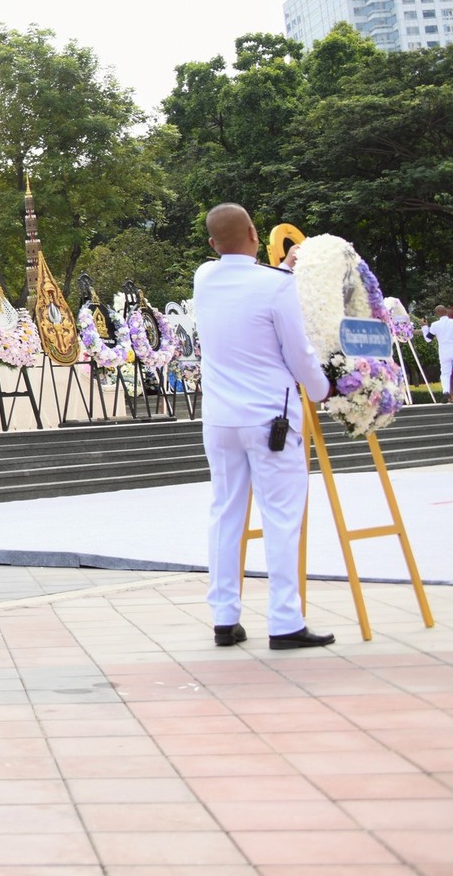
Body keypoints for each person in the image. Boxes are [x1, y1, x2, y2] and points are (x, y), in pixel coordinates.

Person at [193, 203, 335, 651]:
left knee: (225, 513)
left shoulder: (203, 278)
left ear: (212, 244)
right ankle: (285, 620)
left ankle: (224, 617)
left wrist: (282, 272)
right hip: (270, 418)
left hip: (220, 419)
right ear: (255, 233)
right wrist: (323, 390)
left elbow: (238, 274)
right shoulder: (276, 287)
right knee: (281, 517)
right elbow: (299, 355)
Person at [423, 305, 453, 403]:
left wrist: (424, 327)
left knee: (445, 374)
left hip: (444, 352)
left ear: (437, 315)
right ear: (446, 312)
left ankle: (446, 391)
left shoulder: (435, 325)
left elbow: (428, 339)